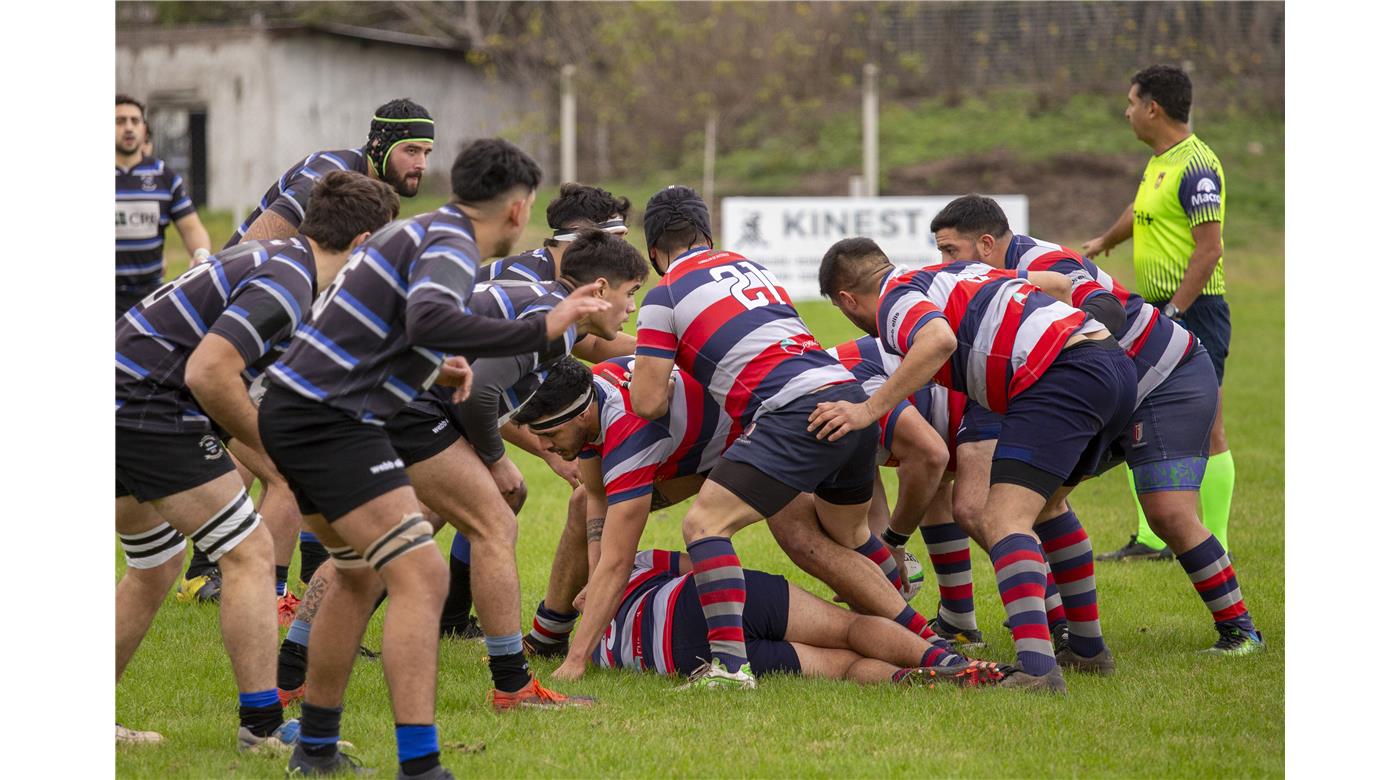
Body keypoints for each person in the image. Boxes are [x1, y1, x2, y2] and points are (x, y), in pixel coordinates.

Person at [258, 138, 606, 779]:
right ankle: (420, 765)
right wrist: (544, 327)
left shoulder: (425, 231)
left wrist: (430, 370)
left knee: (359, 571)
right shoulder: (449, 245)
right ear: (516, 208)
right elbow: (427, 318)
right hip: (332, 418)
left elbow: (393, 325)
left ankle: (313, 748)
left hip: (301, 409)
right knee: (420, 574)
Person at [275, 228, 645, 708]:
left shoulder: (532, 293)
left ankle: (288, 674)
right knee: (493, 525)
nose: (631, 307)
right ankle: (513, 687)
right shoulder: (558, 321)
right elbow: (485, 389)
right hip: (403, 404)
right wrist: (495, 463)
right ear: (598, 289)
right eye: (630, 293)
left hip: (364, 392)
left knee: (379, 539)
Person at [115, 171, 399, 747]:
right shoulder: (287, 282)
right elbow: (208, 372)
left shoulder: (283, 259)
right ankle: (263, 729)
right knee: (248, 550)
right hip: (142, 406)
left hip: (121, 393)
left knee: (156, 565)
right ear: (365, 245)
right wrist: (278, 456)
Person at [626, 186, 942, 690]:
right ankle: (934, 648)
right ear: (708, 235)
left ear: (654, 252)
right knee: (849, 536)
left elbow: (646, 402)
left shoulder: (664, 295)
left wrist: (658, 376)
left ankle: (730, 669)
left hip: (790, 414)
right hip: (843, 397)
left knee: (705, 525)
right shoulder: (749, 266)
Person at [930, 194, 1263, 655]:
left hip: (1164, 378)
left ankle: (1241, 630)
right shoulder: (986, 281)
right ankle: (1070, 630)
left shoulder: (1043, 261)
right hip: (1095, 391)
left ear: (986, 244)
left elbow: (1105, 310)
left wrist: (1055, 331)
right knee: (1035, 500)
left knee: (1167, 512)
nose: (943, 263)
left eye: (950, 250)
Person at [511, 357, 982, 679]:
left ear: (581, 414)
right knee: (840, 547)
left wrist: (580, 658)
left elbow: (619, 559)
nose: (545, 448)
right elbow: (595, 498)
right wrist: (596, 586)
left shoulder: (629, 438)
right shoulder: (596, 388)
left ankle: (924, 637)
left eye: (549, 434)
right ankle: (548, 632)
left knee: (805, 539)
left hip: (767, 430)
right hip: (726, 447)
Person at [812, 239, 1139, 692]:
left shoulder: (894, 300)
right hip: (1110, 362)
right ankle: (1086, 649)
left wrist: (868, 410)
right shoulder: (949, 275)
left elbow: (939, 341)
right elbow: (1060, 285)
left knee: (1001, 518)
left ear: (847, 299)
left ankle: (1037, 671)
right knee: (1046, 510)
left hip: (1060, 374)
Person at [182, 97, 436, 610]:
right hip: (245, 325)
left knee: (272, 446)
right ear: (379, 143)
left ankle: (215, 572)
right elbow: (255, 249)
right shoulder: (327, 175)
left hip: (273, 329)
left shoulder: (364, 186)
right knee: (291, 463)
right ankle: (268, 596)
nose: (422, 164)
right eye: (412, 149)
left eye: (428, 151)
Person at [440, 182, 637, 632]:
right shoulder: (539, 293)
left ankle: (450, 621)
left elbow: (590, 343)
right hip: (418, 393)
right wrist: (535, 453)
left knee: (493, 501)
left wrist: (670, 351)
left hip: (429, 390)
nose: (621, 257)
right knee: (452, 511)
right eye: (615, 244)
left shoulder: (558, 290)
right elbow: (489, 388)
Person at [1083, 64, 1236, 561]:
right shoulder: (1161, 161)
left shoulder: (1198, 167)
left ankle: (1214, 542)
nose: (1126, 111)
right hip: (1156, 310)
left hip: (1193, 311)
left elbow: (1208, 250)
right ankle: (1153, 539)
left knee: (1207, 424)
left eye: (1131, 102)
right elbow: (1141, 209)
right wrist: (1107, 239)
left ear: (1153, 107)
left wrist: (1175, 310)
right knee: (1138, 416)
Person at [588, 549, 1001, 687]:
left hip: (680, 654)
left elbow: (580, 599)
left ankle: (903, 679)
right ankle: (951, 664)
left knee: (842, 667)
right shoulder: (632, 563)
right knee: (848, 627)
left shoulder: (596, 654)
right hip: (702, 598)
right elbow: (704, 561)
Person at [828, 336, 983, 646]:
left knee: (996, 516)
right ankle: (958, 622)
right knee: (934, 488)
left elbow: (930, 456)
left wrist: (894, 541)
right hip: (957, 408)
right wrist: (876, 570)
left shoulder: (844, 393)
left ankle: (1063, 628)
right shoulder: (835, 415)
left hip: (991, 398)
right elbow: (868, 512)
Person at [115, 94, 211, 318]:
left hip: (149, 298)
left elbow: (192, 228)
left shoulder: (164, 177)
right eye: (120, 121)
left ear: (144, 128)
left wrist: (201, 254)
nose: (129, 127)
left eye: (135, 121)